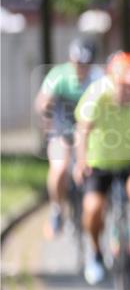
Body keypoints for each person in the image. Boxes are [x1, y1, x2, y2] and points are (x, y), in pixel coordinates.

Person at [73, 52, 130, 284]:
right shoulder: (96, 94)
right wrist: (81, 161)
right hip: (99, 162)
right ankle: (95, 254)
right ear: (112, 80)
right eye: (124, 86)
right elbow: (83, 130)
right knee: (92, 208)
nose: (129, 91)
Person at [34, 37, 103, 239]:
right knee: (60, 168)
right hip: (61, 130)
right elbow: (42, 102)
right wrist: (47, 114)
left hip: (88, 131)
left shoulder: (98, 78)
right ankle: (57, 209)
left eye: (84, 64)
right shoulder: (59, 75)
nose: (80, 68)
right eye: (76, 63)